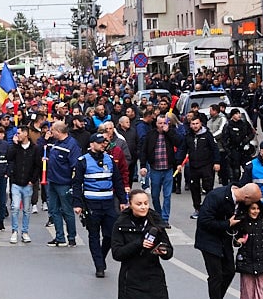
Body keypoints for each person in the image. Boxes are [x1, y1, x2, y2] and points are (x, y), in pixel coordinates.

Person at [195, 182, 263, 299]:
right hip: (209, 240)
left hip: (224, 240)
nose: (252, 205)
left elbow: (242, 220)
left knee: (229, 271)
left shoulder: (240, 202)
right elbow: (204, 221)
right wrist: (227, 224)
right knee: (216, 275)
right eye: (251, 202)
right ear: (246, 197)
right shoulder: (216, 196)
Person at [73, 132, 128, 279]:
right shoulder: (82, 161)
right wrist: (77, 203)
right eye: (99, 142)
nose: (103, 144)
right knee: (94, 235)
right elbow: (77, 184)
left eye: (104, 142)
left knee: (110, 234)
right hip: (91, 203)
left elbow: (117, 181)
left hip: (108, 202)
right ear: (91, 145)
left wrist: (123, 200)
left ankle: (101, 257)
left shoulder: (109, 160)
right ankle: (99, 266)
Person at [137, 114, 185, 228]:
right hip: (155, 168)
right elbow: (143, 151)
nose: (162, 125)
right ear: (156, 123)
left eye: (164, 123)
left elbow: (179, 143)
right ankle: (158, 215)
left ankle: (165, 218)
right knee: (154, 195)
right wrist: (143, 166)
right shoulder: (150, 134)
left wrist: (169, 132)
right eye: (160, 123)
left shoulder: (171, 133)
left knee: (167, 195)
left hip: (168, 168)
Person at [44, 121, 81, 248]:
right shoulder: (57, 143)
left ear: (59, 132)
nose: (50, 132)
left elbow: (75, 167)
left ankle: (71, 237)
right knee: (54, 210)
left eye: (52, 130)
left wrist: (73, 184)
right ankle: (60, 237)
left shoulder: (72, 145)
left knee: (67, 211)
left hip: (64, 183)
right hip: (53, 181)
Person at [6, 125, 42, 244]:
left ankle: (25, 231)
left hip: (28, 183)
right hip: (16, 182)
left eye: (19, 133)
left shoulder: (35, 149)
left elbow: (38, 166)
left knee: (26, 209)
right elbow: (9, 157)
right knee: (15, 207)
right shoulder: (16, 148)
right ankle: (14, 231)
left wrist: (33, 180)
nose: (17, 135)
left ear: (26, 134)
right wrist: (14, 145)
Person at [183, 116, 220, 220]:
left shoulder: (207, 135)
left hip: (207, 165)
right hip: (193, 166)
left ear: (201, 124)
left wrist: (217, 162)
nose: (195, 126)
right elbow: (183, 149)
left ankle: (209, 209)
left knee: (208, 187)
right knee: (194, 188)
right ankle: (197, 209)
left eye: (197, 124)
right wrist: (178, 162)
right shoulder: (188, 136)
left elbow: (215, 149)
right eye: (193, 124)